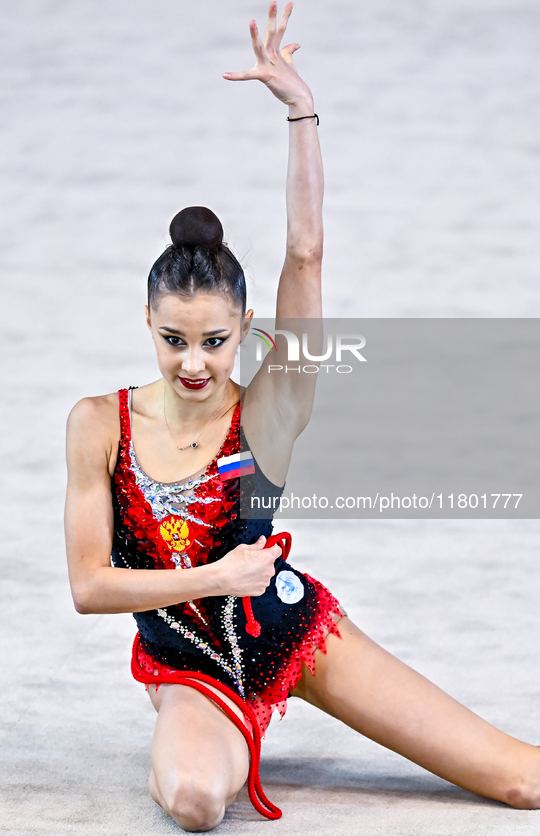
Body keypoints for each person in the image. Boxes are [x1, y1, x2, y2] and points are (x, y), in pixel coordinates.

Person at [64, 1, 540, 831]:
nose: (194, 362)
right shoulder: (99, 424)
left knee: (517, 781)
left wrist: (299, 111)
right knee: (193, 803)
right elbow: (89, 585)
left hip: (287, 626)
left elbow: (305, 252)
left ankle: (256, 707)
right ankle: (225, 723)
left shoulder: (272, 406)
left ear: (243, 331)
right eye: (173, 339)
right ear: (147, 324)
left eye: (214, 340)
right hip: (186, 665)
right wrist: (217, 577)